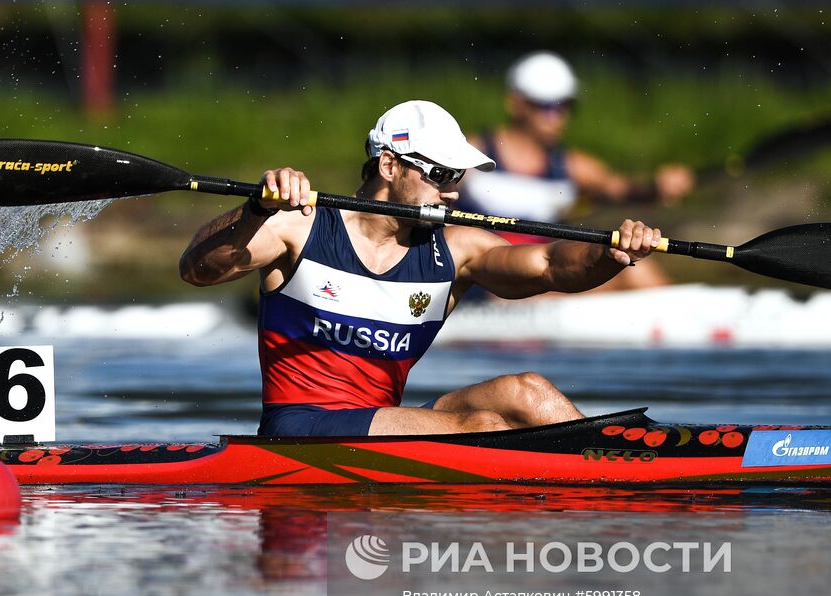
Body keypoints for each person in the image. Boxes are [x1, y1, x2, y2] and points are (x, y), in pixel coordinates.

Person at [179, 100, 662, 437]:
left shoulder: (455, 250)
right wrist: (254, 211)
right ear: (389, 166)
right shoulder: (297, 226)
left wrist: (611, 254)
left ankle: (618, 461)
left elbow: (551, 265)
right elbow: (197, 270)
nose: (453, 192)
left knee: (528, 392)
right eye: (440, 175)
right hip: (301, 427)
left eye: (458, 177)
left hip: (382, 422)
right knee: (483, 429)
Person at [460, 51, 693, 291]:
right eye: (547, 106)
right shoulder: (470, 151)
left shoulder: (572, 166)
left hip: (538, 280)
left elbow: (620, 189)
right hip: (481, 283)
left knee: (638, 271)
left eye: (564, 106)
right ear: (516, 103)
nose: (557, 117)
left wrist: (655, 187)